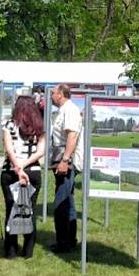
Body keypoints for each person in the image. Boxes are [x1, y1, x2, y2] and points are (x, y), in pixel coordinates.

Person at [1, 96, 45, 258]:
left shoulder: (9, 125)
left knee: (11, 209)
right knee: (30, 210)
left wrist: (18, 168)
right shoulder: (40, 127)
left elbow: (9, 149)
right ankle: (28, 251)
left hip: (11, 171)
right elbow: (40, 151)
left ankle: (10, 251)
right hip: (33, 171)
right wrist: (25, 165)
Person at [49, 84, 83, 253]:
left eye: (53, 93)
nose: (50, 96)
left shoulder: (70, 110)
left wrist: (65, 160)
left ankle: (63, 242)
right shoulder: (63, 109)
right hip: (62, 159)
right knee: (68, 200)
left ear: (61, 94)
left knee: (61, 202)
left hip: (66, 161)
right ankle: (70, 239)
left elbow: (72, 135)